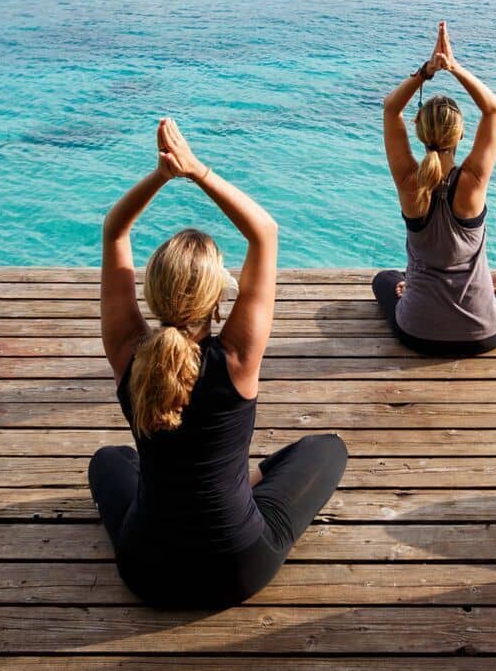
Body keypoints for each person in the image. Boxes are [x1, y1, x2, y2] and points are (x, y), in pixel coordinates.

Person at [86, 118, 347, 609]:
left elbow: (114, 231)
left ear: (151, 292)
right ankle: (244, 477)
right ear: (217, 300)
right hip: (237, 568)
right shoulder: (237, 360)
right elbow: (264, 233)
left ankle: (222, 483)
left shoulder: (127, 352)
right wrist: (196, 171)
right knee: (326, 449)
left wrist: (162, 176)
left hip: (148, 571)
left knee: (109, 460)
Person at [373, 21, 496, 355]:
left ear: (418, 129)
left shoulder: (409, 183)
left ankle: (415, 284)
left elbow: (390, 109)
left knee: (384, 280)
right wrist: (454, 67)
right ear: (461, 135)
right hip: (481, 332)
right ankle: (482, 284)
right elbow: (493, 108)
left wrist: (427, 71)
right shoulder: (473, 183)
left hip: (416, 330)